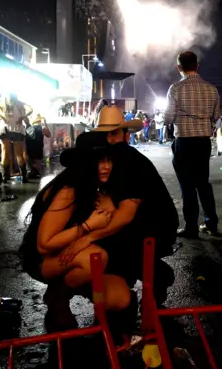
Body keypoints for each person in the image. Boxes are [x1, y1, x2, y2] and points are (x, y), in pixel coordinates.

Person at [62, 106, 178, 306]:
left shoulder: (129, 159)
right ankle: (119, 291)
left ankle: (152, 279)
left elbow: (125, 215)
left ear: (126, 135)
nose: (110, 140)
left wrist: (86, 237)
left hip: (156, 226)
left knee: (106, 246)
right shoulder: (109, 158)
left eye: (114, 133)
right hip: (137, 220)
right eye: (105, 135)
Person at [19, 132, 129, 330]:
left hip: (72, 258)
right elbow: (44, 245)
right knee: (96, 257)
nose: (105, 166)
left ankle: (66, 289)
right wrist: (89, 226)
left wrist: (110, 207)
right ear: (85, 163)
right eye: (98, 161)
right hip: (42, 261)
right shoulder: (68, 191)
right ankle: (57, 297)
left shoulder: (95, 187)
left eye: (108, 160)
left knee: (119, 298)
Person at [165, 51, 220, 238]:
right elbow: (216, 117)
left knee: (187, 185)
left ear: (179, 68)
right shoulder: (212, 89)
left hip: (184, 143)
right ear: (197, 66)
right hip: (203, 143)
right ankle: (211, 223)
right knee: (203, 183)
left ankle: (191, 227)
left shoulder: (175, 88)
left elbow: (168, 117)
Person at [0, 93, 33, 183]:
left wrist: (1, 116)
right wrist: (22, 117)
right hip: (17, 129)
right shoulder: (19, 103)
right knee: (19, 154)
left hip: (5, 129)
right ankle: (24, 177)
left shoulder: (2, 103)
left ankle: (5, 177)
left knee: (5, 153)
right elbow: (30, 110)